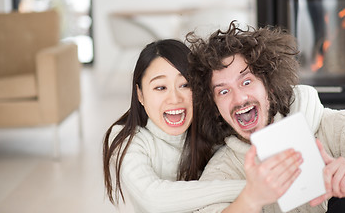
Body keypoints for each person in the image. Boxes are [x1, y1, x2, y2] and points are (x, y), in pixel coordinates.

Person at [102, 39, 304, 213]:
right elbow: (153, 197)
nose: (174, 98)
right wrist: (253, 189)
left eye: (185, 85)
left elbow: (302, 96)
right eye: (160, 87)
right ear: (140, 95)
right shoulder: (126, 138)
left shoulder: (211, 128)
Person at [187, 21, 345, 212]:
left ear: (269, 86)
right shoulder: (223, 170)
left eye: (246, 81)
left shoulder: (338, 128)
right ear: (215, 106)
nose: (240, 98)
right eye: (224, 92)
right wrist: (250, 200)